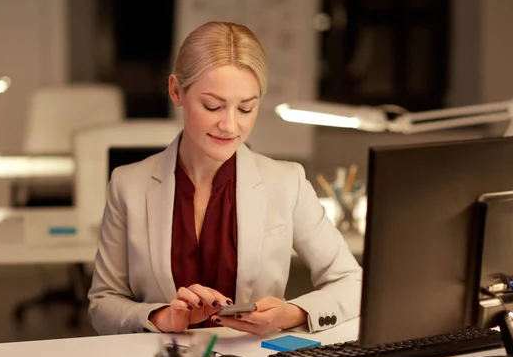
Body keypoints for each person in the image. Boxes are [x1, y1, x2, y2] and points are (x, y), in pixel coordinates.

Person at [88, 21, 362, 336]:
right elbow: (103, 304)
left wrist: (289, 314)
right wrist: (163, 317)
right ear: (176, 91)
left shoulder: (288, 182)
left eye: (245, 109)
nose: (229, 126)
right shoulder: (128, 185)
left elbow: (352, 283)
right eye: (213, 106)